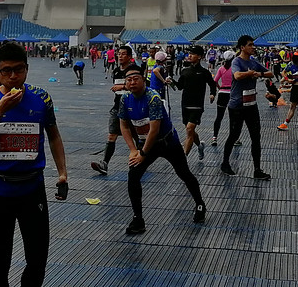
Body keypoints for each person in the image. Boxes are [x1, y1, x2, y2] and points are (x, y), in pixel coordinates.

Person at [0, 42, 68, 287]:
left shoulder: (41, 97)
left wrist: (63, 174)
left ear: (27, 69)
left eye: (19, 70)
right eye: (6, 71)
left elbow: (53, 135)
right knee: (0, 263)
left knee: (37, 261)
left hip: (32, 190)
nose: (13, 76)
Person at [119, 65, 206, 234]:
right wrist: (132, 150)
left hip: (166, 143)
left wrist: (143, 154)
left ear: (144, 80)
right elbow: (124, 125)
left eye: (135, 79)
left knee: (184, 173)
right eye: (128, 80)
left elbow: (154, 130)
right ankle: (138, 219)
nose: (132, 82)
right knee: (133, 176)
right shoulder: (125, 99)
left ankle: (200, 203)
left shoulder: (153, 98)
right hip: (144, 144)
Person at [221, 35, 271, 180]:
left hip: (251, 105)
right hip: (237, 105)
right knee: (234, 135)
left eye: (253, 45)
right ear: (242, 47)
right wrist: (249, 74)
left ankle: (257, 169)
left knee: (256, 137)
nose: (253, 47)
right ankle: (225, 163)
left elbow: (270, 73)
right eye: (250, 45)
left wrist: (258, 73)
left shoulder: (254, 62)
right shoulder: (236, 61)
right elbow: (236, 75)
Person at [92, 45, 135, 176]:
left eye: (123, 54)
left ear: (129, 56)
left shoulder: (134, 70)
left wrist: (122, 86)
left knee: (137, 137)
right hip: (117, 108)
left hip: (133, 108)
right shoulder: (116, 71)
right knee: (112, 136)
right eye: (119, 54)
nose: (120, 56)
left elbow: (139, 86)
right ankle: (104, 163)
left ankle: (140, 159)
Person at [170, 45, 216, 160]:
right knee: (190, 131)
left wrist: (212, 93)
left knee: (189, 130)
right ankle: (200, 145)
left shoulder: (204, 72)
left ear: (199, 56)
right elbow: (180, 87)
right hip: (185, 104)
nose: (189, 55)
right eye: (189, 53)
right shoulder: (185, 71)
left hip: (197, 106)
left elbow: (212, 83)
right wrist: (171, 82)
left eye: (193, 53)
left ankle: (183, 158)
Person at [211, 51, 234, 145]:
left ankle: (214, 137)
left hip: (222, 94)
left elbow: (215, 81)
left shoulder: (221, 69)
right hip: (232, 94)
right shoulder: (234, 69)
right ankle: (234, 138)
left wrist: (219, 87)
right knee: (233, 117)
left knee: (219, 117)